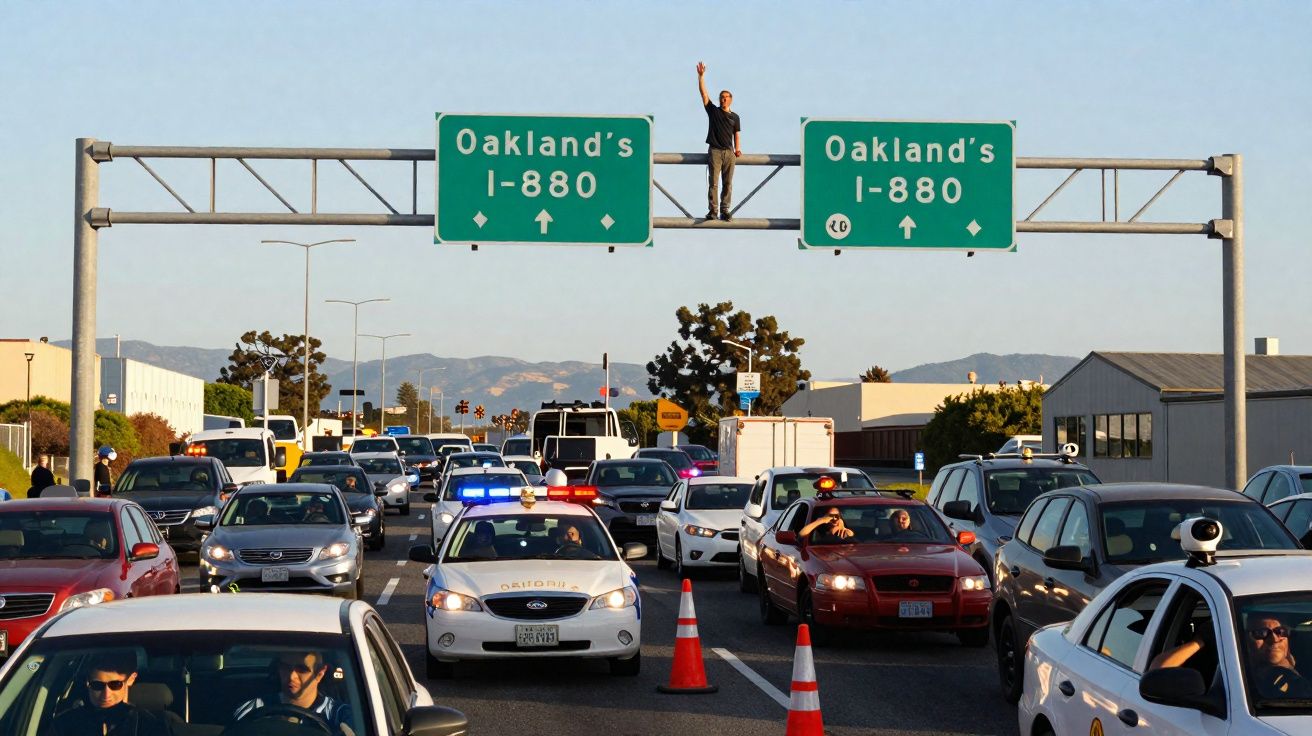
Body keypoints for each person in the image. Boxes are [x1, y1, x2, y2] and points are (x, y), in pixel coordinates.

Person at [50, 650, 170, 736]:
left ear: (131, 679)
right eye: (98, 685)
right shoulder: (65, 724)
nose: (106, 694)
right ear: (87, 682)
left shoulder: (148, 725)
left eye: (115, 685)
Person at [232, 651, 353, 734]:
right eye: (285, 667)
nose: (291, 676)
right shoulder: (253, 710)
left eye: (302, 669)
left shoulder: (340, 716)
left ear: (320, 673)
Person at [697, 61, 741, 222]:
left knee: (728, 183)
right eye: (721, 97)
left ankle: (725, 210)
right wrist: (701, 77)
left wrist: (738, 149)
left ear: (731, 99)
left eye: (725, 97)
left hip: (729, 152)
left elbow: (737, 133)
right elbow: (704, 95)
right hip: (715, 150)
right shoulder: (714, 111)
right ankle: (713, 210)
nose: (723, 100)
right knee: (714, 183)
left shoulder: (735, 117)